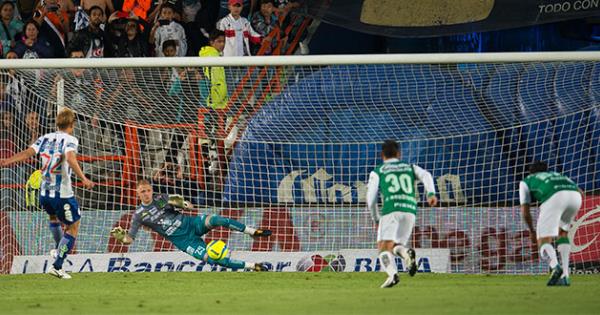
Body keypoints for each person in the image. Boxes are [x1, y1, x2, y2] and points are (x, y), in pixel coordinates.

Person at [0, 108, 95, 279]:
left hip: (44, 192)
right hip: (62, 194)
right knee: (74, 227)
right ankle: (57, 265)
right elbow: (71, 158)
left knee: (54, 219)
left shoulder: (45, 138)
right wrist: (84, 179)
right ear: (72, 125)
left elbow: (28, 153)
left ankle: (58, 250)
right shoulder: (70, 139)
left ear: (57, 123)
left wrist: (7, 160)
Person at [110, 179, 271, 271]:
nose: (146, 194)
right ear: (137, 194)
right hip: (185, 241)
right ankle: (252, 266)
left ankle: (251, 231)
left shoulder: (161, 198)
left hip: (191, 224)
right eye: (142, 192)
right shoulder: (138, 215)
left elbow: (179, 201)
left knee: (216, 219)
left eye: (147, 190)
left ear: (151, 190)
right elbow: (130, 239)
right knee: (212, 259)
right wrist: (121, 237)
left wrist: (184, 203)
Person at [366, 139, 437, 288]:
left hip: (391, 209)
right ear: (399, 154)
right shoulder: (410, 167)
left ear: (382, 155)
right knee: (395, 245)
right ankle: (406, 254)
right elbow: (426, 175)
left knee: (383, 248)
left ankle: (392, 275)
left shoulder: (378, 171)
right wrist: (430, 193)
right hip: (410, 210)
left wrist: (376, 218)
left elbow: (371, 199)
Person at [520, 161, 582, 286]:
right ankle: (565, 276)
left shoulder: (526, 181)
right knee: (563, 233)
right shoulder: (557, 175)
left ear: (531, 172)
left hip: (555, 197)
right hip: (576, 197)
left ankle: (555, 266)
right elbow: (581, 191)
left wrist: (532, 231)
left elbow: (525, 212)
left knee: (543, 240)